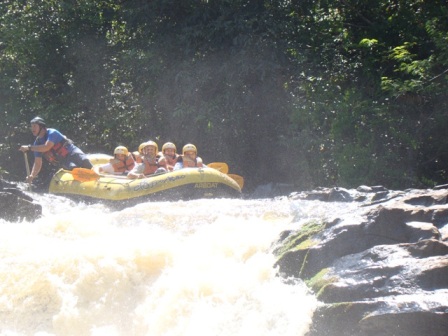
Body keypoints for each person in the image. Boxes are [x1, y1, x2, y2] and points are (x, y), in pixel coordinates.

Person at [19, 116, 92, 184]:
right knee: (74, 169)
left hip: (73, 152)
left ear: (41, 126)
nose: (32, 129)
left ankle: (97, 174)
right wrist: (32, 175)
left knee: (85, 162)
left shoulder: (52, 133)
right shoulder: (37, 144)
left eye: (34, 126)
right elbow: (38, 163)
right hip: (65, 161)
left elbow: (46, 147)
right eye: (31, 126)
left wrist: (29, 147)